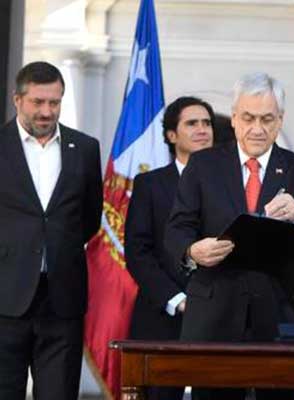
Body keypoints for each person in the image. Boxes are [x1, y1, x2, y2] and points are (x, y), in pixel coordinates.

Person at [165, 72, 294, 400]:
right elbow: (177, 228)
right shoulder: (203, 165)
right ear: (233, 118)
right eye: (248, 118)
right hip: (215, 313)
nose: (257, 128)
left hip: (278, 314)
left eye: (267, 119)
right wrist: (192, 250)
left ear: (280, 120)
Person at [0, 61, 103, 399]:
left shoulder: (85, 149)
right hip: (5, 298)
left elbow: (89, 218)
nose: (46, 111)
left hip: (62, 300)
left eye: (54, 102)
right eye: (38, 102)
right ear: (18, 100)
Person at [125, 96, 217, 400]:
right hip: (161, 317)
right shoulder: (149, 185)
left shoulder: (233, 185)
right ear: (172, 135)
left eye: (207, 123)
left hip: (219, 320)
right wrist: (177, 300)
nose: (202, 129)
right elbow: (138, 252)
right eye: (192, 123)